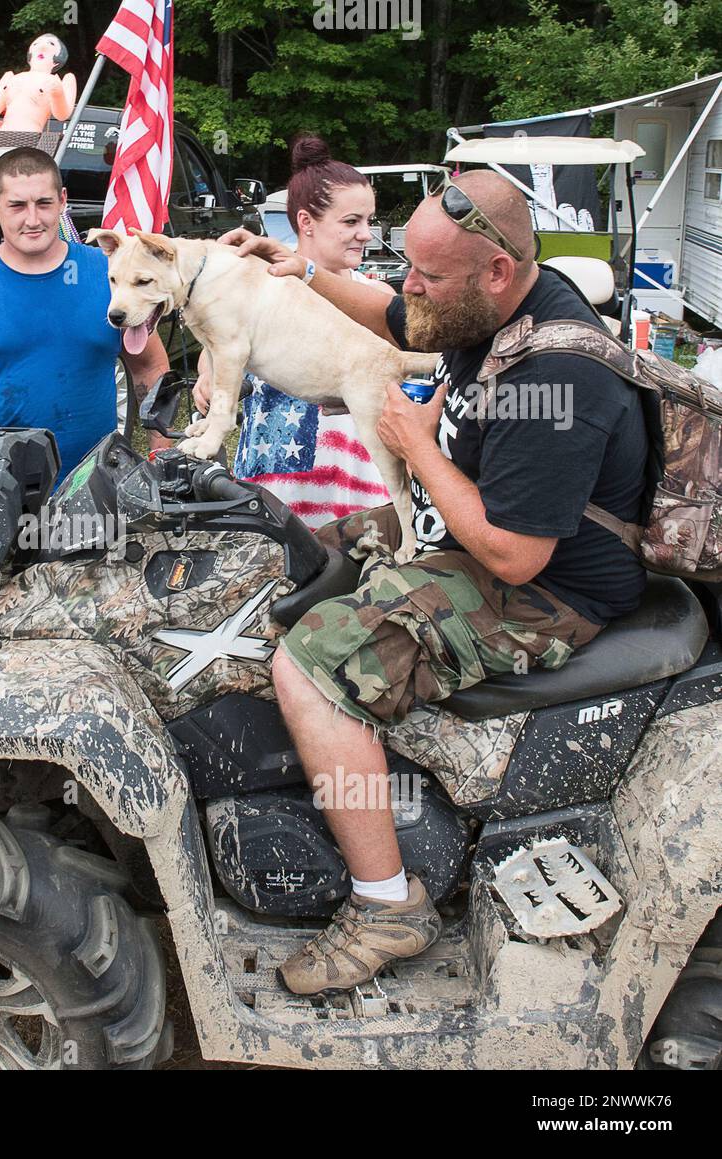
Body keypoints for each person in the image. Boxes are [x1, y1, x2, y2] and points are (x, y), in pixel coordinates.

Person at [219, 169, 648, 994]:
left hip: (541, 587)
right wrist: (301, 268)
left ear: (495, 271)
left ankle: (387, 905)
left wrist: (416, 445)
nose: (410, 287)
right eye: (407, 266)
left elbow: (515, 555)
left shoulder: (557, 383)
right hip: (466, 529)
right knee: (288, 547)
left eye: (428, 275)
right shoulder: (493, 299)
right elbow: (398, 312)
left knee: (311, 662)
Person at [0, 146, 170, 483]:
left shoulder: (109, 276)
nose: (32, 219)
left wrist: (160, 459)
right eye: (17, 205)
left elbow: (150, 367)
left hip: (93, 487)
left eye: (43, 204)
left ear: (62, 201)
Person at [196, 135, 395, 529]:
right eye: (352, 221)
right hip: (278, 492)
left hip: (360, 488)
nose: (366, 233)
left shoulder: (377, 297)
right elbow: (214, 355)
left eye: (369, 220)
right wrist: (208, 376)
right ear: (306, 222)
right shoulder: (255, 288)